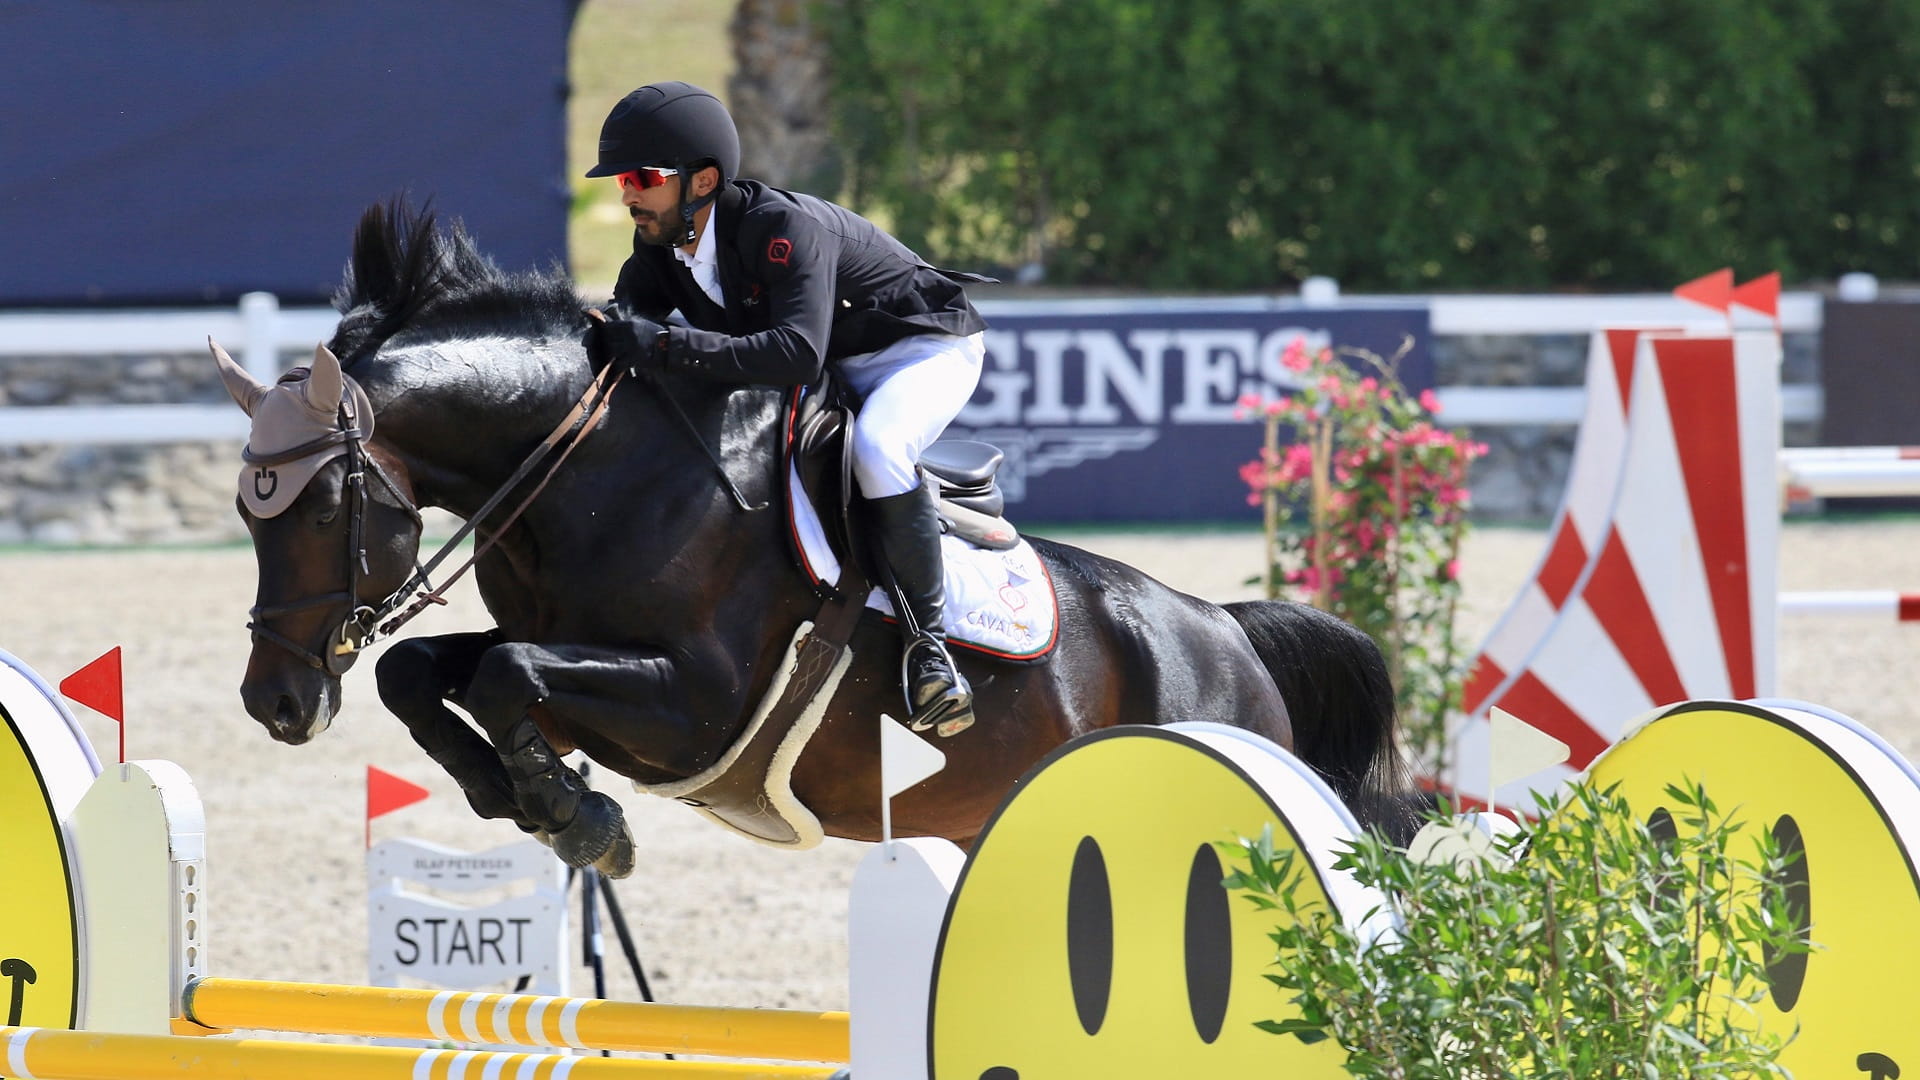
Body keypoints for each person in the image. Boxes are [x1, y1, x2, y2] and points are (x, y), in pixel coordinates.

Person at [583, 81, 989, 737]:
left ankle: (929, 651)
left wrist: (665, 343)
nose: (626, 193)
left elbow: (796, 354)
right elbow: (619, 336)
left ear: (703, 180)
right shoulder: (660, 247)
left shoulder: (782, 230)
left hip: (919, 351)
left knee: (880, 448)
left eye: (641, 177)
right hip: (833, 361)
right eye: (622, 180)